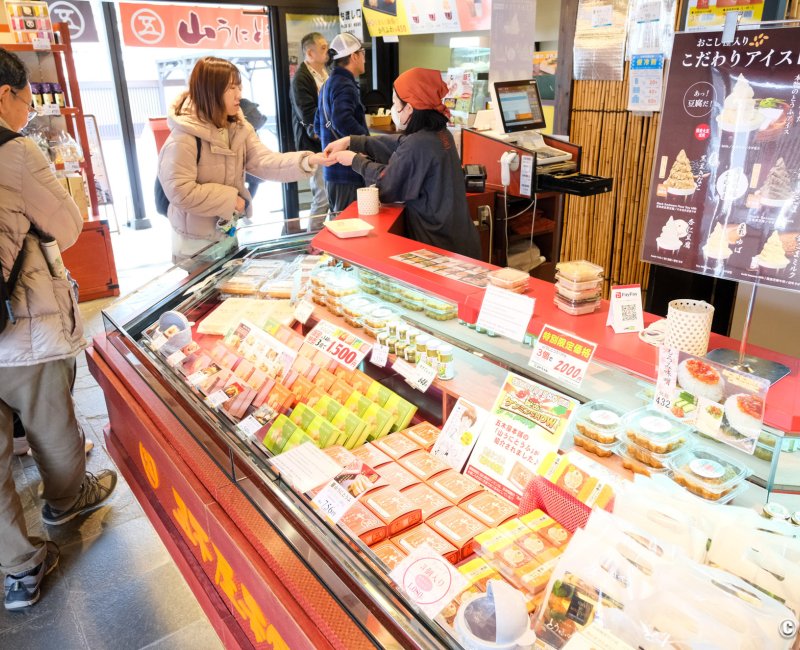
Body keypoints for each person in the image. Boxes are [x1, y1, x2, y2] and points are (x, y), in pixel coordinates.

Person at [0, 47, 118, 611]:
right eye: (25, 98)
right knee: (51, 421)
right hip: (19, 332)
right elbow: (68, 227)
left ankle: (19, 570)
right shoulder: (16, 151)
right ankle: (67, 501)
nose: (27, 107)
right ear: (6, 95)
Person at [158, 56, 331, 264]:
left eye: (238, 86)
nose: (239, 94)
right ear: (210, 90)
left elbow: (264, 161)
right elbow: (180, 191)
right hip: (194, 246)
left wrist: (307, 161)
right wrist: (232, 200)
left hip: (226, 235)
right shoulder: (183, 138)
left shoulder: (238, 127)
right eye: (231, 88)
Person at [326, 67, 481, 259]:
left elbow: (387, 186)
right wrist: (353, 141)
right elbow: (399, 144)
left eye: (394, 103)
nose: (393, 109)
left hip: (441, 249)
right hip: (460, 241)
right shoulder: (439, 133)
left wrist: (355, 161)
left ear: (410, 108)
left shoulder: (419, 143)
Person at [314, 32, 369, 215]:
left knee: (339, 221)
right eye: (362, 53)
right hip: (347, 172)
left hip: (333, 173)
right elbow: (341, 119)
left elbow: (316, 126)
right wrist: (365, 143)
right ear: (354, 56)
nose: (364, 59)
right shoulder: (344, 84)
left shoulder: (328, 83)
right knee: (349, 224)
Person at [290, 32, 330, 232]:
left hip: (330, 140)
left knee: (329, 193)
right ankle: (312, 240)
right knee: (322, 194)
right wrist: (322, 132)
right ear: (310, 52)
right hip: (315, 142)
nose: (327, 51)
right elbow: (307, 114)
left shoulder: (325, 72)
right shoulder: (301, 79)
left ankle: (324, 240)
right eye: (322, 47)